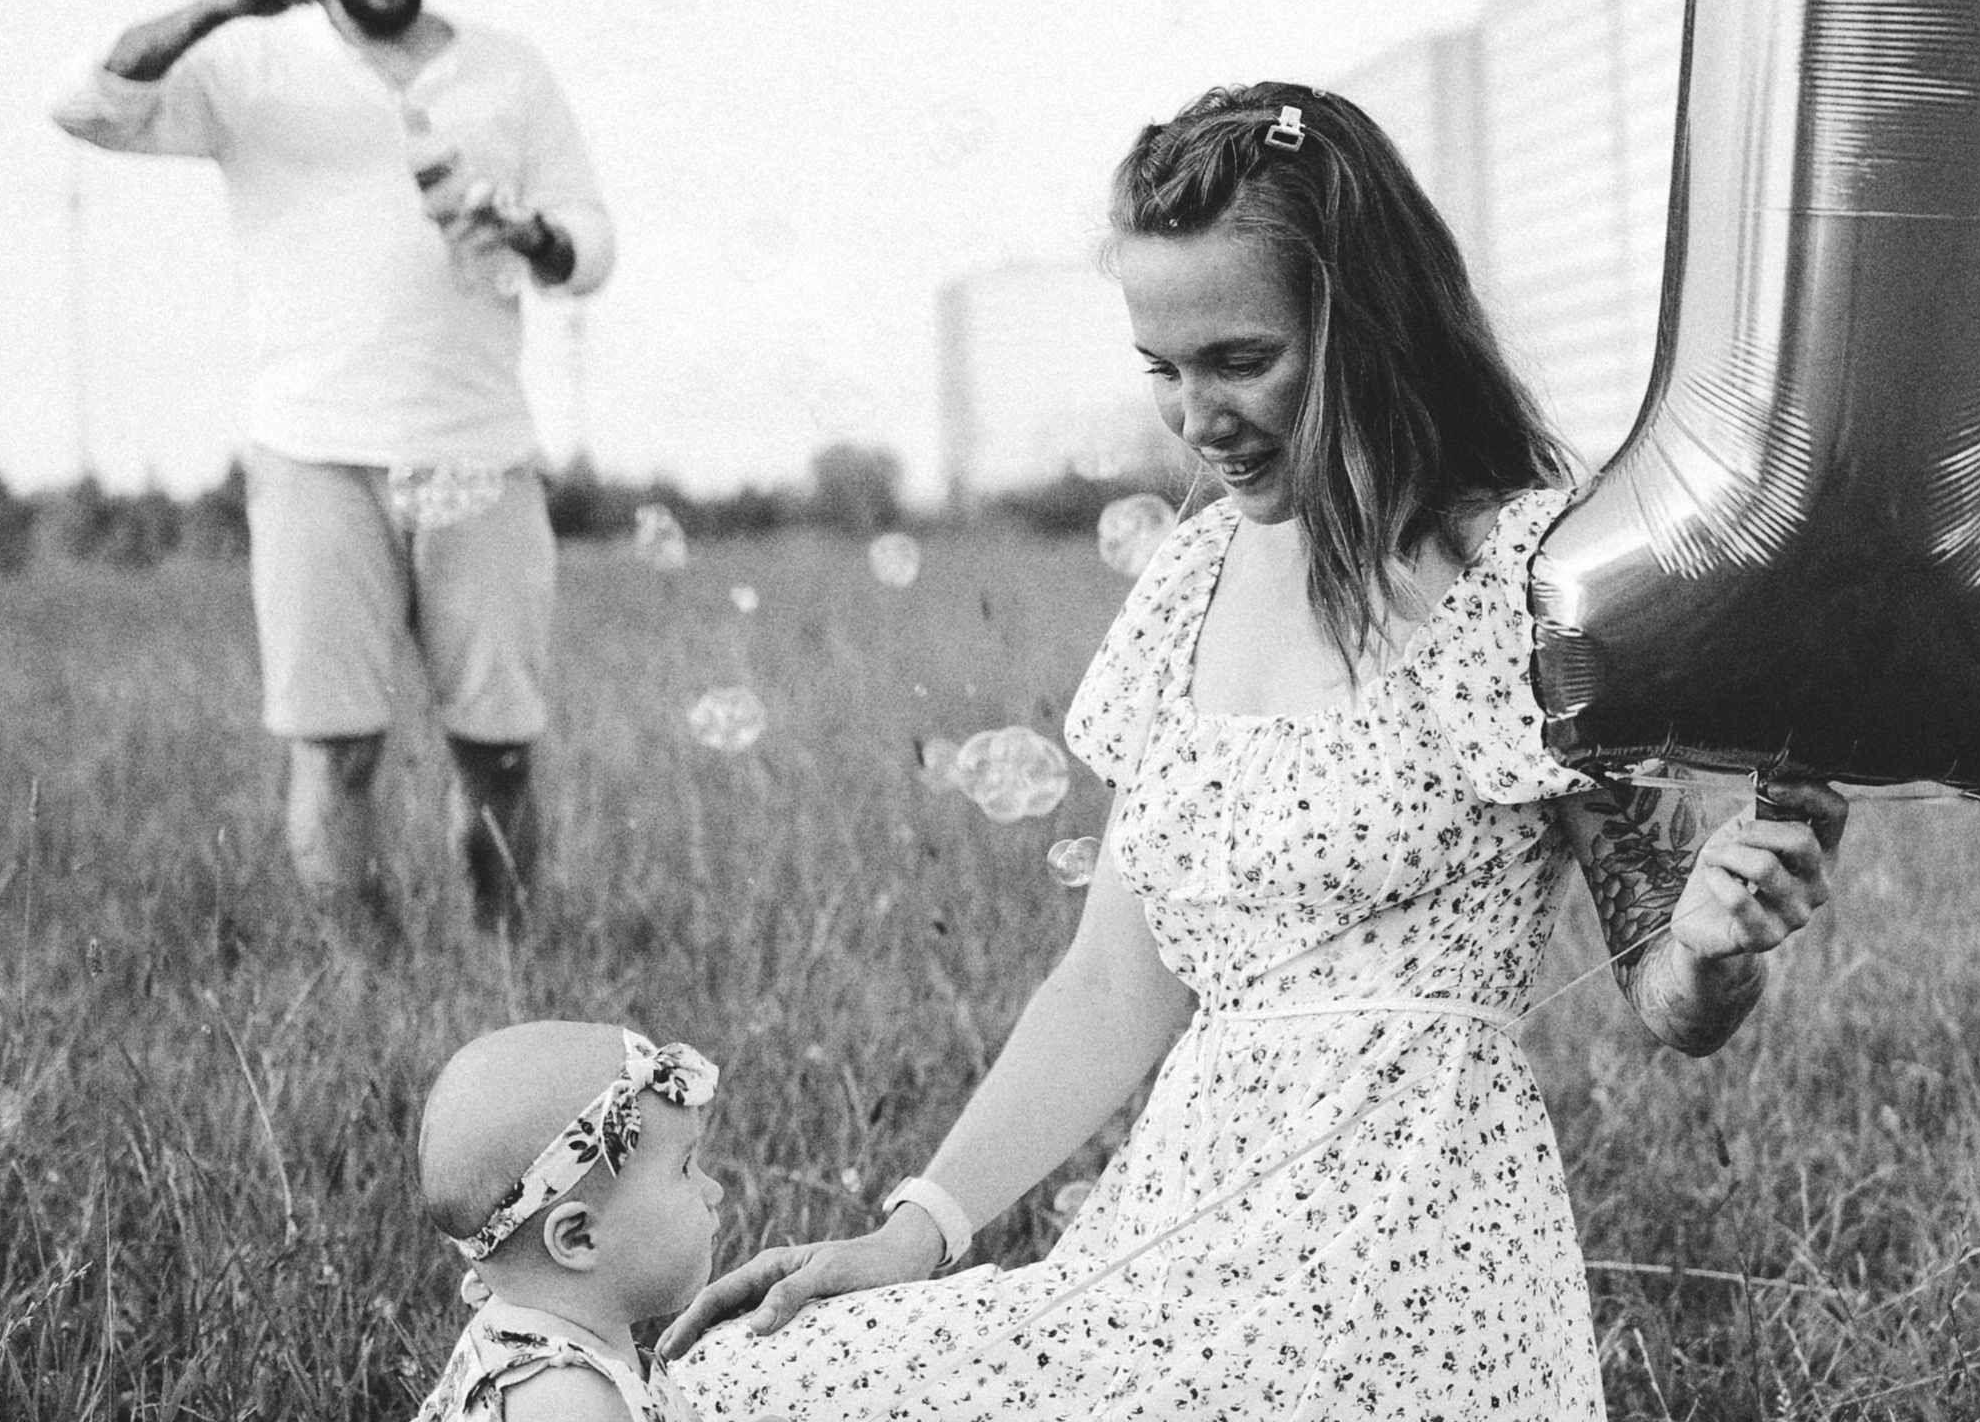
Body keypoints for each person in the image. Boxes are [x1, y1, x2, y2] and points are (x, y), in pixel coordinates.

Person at [665, 82, 1844, 1418]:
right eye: (1162, 368)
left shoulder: (1536, 578)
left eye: (1239, 359)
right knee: (748, 1382)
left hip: (1411, 1263)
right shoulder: (1191, 578)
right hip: (1181, 1241)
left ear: (1369, 325)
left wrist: (1711, 942)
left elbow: (1673, 1001)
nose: (1194, 416)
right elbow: (1110, 987)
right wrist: (914, 1230)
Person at [49, 0, 615, 938]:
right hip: (313, 451)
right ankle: (365, 985)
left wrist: (530, 232)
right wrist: (220, 5)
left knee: (500, 749)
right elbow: (84, 104)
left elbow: (590, 246)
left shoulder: (508, 71)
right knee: (335, 746)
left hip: (481, 450)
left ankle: (508, 971)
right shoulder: (251, 63)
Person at [415, 1021, 724, 1421]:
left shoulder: (543, 1327)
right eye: (683, 1168)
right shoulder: (571, 1402)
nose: (714, 1190)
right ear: (579, 1237)